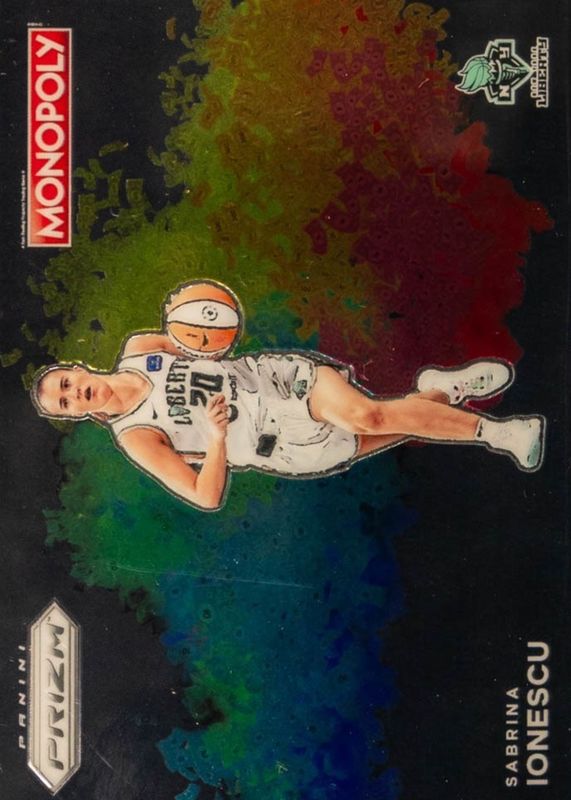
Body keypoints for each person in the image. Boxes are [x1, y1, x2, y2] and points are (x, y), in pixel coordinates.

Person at [31, 323, 545, 511]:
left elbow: (207, 338)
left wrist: (210, 328)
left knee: (367, 416)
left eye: (66, 383)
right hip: (276, 445)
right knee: (393, 423)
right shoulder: (136, 437)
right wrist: (215, 439)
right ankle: (442, 391)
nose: (75, 393)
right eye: (66, 403)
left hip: (271, 383)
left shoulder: (141, 347)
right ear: (75, 416)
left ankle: (502, 433)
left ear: (76, 368)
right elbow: (205, 496)